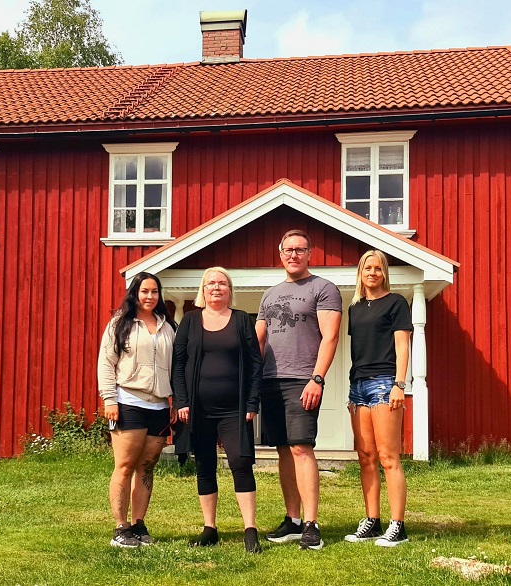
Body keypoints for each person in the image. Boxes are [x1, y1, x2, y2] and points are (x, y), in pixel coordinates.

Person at [256, 229, 342, 550]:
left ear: (310, 254)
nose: (294, 254)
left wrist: (317, 378)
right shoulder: (269, 294)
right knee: (282, 449)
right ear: (280, 254)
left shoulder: (323, 289)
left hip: (302, 380)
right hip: (270, 381)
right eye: (288, 249)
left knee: (301, 448)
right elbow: (258, 341)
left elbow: (330, 337)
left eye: (300, 249)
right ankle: (292, 520)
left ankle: (311, 524)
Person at [172, 267, 263, 553]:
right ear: (203, 289)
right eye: (211, 283)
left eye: (222, 283)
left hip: (234, 409)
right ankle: (209, 528)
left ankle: (250, 530)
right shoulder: (189, 321)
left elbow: (255, 364)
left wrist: (251, 402)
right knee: (205, 465)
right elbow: (178, 364)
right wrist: (182, 401)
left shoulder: (240, 321)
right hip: (198, 409)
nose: (216, 288)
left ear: (229, 289)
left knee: (240, 463)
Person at [97, 271, 177, 548]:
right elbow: (106, 363)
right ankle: (121, 528)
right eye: (144, 291)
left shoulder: (168, 326)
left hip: (158, 405)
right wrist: (109, 399)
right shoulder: (120, 324)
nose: (150, 297)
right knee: (125, 465)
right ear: (135, 293)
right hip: (128, 401)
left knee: (146, 466)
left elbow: (176, 367)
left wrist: (175, 401)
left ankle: (139, 525)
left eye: (154, 292)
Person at [344, 250, 412, 547]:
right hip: (357, 387)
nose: (372, 273)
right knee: (366, 458)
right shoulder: (355, 307)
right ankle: (372, 521)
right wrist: (350, 390)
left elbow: (402, 346)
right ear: (361, 272)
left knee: (388, 457)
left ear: (385, 273)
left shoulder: (396, 303)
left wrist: (400, 383)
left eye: (378, 268)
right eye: (367, 268)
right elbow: (357, 351)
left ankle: (398, 525)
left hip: (385, 384)